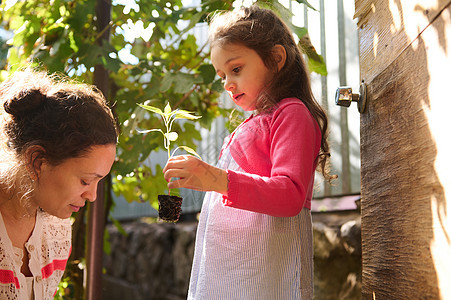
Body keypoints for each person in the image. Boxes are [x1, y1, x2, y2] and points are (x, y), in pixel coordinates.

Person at [163, 5, 333, 300]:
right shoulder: (251, 122)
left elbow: (290, 195)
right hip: (232, 269)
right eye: (221, 75)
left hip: (267, 273)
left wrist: (216, 179)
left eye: (236, 69)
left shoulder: (292, 115)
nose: (227, 83)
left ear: (276, 59)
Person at [0, 68, 118, 299]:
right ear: (37, 161)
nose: (92, 196)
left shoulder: (56, 231)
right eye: (85, 180)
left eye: (98, 182)